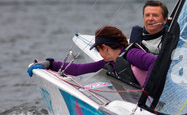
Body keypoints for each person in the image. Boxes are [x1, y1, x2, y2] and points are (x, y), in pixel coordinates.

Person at [28, 25, 157, 88]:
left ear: (104, 47)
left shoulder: (132, 54)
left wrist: (146, 93)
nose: (99, 53)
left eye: (97, 49)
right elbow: (79, 70)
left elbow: (155, 62)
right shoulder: (111, 62)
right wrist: (51, 64)